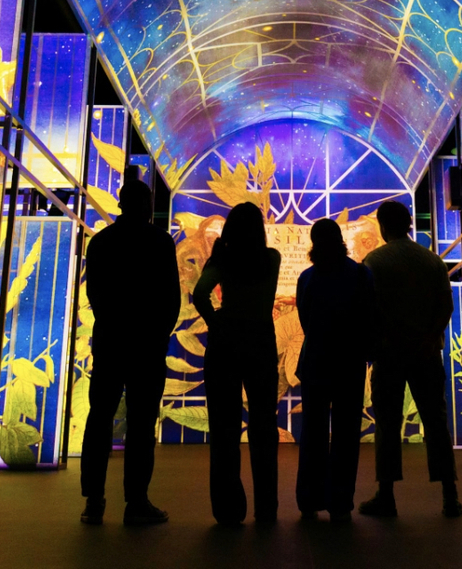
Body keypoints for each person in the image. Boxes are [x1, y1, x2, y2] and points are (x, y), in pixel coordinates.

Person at [80, 179, 180, 526]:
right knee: (140, 425)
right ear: (147, 205)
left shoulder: (102, 242)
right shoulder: (160, 242)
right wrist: (158, 334)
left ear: (121, 203)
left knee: (99, 419)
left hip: (110, 342)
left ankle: (94, 500)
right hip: (147, 346)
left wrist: (112, 325)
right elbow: (171, 298)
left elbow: (95, 294)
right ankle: (136, 501)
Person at [359, 200, 462, 518]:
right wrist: (430, 336)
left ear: (382, 226)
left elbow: (368, 310)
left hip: (389, 353)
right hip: (427, 353)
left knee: (388, 424)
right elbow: (446, 307)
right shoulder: (431, 261)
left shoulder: (373, 262)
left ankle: (386, 495)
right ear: (408, 224)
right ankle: (450, 495)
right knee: (435, 422)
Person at [193, 202, 281, 525]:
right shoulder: (271, 259)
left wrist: (215, 322)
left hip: (225, 344)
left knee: (224, 429)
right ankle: (266, 508)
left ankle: (228, 510)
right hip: (260, 342)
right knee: (263, 427)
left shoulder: (223, 261)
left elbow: (200, 294)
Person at [295, 219, 375, 522]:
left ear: (315, 243)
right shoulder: (360, 275)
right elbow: (369, 316)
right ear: (341, 240)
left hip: (315, 361)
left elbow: (305, 320)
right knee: (346, 434)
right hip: (349, 363)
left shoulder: (308, 278)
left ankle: (309, 499)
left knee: (313, 432)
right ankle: (340, 501)